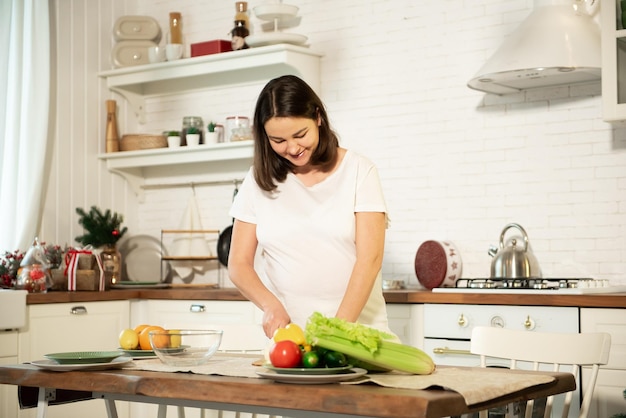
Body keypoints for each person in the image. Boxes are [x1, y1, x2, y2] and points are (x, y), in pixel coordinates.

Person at [228, 75, 393, 339]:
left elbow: (369, 260)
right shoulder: (257, 180)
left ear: (317, 117)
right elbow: (238, 263)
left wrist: (337, 332)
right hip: (291, 339)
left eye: (300, 134)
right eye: (278, 140)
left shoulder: (359, 170)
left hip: (358, 334)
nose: (292, 148)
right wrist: (270, 305)